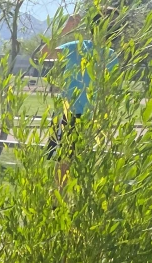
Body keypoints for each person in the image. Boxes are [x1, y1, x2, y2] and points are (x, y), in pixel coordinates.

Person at [37, 5, 121, 161]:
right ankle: (60, 187)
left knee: (79, 164)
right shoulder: (77, 47)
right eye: (111, 23)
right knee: (64, 162)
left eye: (115, 24)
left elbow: (108, 89)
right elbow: (44, 53)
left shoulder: (111, 55)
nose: (114, 27)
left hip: (91, 117)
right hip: (68, 114)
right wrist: (65, 29)